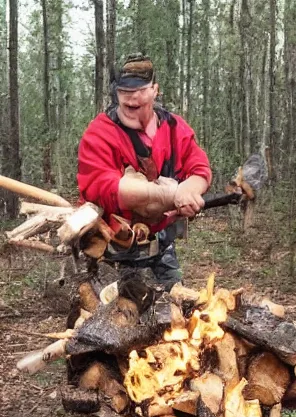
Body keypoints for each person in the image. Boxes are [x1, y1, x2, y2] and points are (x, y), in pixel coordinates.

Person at [78, 54, 211, 287]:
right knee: (115, 320)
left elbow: (199, 167)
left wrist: (190, 189)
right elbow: (104, 187)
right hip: (114, 254)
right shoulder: (99, 133)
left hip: (161, 247)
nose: (132, 97)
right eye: (124, 91)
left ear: (154, 90)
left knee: (177, 312)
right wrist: (169, 194)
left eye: (141, 89)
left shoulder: (173, 127)